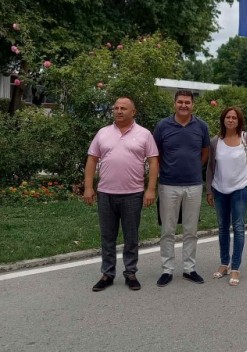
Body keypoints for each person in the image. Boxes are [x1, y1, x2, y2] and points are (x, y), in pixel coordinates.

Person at [84, 97, 159, 291]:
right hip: (105, 193)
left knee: (131, 236)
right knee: (107, 236)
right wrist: (89, 187)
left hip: (132, 194)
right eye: (116, 108)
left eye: (123, 108)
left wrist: (150, 189)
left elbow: (153, 162)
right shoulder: (103, 133)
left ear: (133, 112)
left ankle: (130, 272)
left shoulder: (144, 134)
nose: (119, 111)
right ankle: (107, 274)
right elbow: (92, 160)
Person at [153, 90, 210, 287]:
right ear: (174, 104)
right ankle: (167, 269)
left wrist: (194, 168)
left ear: (192, 104)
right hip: (168, 185)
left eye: (187, 102)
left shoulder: (201, 126)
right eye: (180, 102)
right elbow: (156, 154)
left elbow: (204, 153)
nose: (183, 105)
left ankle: (189, 268)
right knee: (167, 230)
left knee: (190, 230)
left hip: (194, 185)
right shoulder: (162, 126)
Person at [206, 106, 247, 286]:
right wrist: (209, 190)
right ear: (223, 120)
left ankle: (235, 267)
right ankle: (224, 264)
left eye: (234, 118)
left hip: (241, 188)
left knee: (238, 227)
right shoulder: (216, 141)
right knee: (222, 227)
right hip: (219, 189)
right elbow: (209, 168)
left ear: (239, 121)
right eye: (228, 117)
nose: (231, 120)